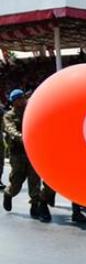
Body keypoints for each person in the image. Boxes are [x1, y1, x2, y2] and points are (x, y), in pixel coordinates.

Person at [2, 89, 48, 222]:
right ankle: (9, 193)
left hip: (32, 152)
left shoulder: (31, 111)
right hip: (17, 153)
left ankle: (35, 205)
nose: (22, 100)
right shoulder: (9, 115)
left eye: (23, 98)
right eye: (19, 99)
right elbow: (10, 129)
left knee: (34, 179)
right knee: (17, 181)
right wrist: (23, 137)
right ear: (14, 101)